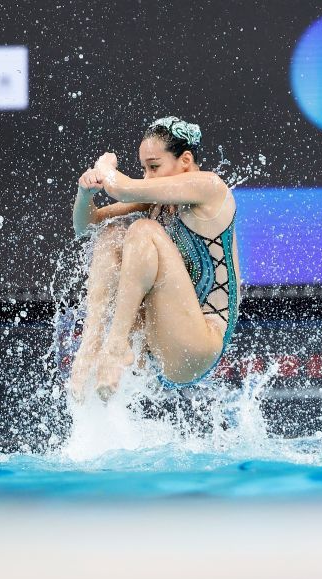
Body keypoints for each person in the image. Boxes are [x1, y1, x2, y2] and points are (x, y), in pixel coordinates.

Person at [68, 116, 240, 401]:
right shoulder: (158, 199)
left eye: (154, 167)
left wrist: (104, 167)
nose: (147, 177)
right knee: (111, 235)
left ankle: (116, 346)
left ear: (185, 160)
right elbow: (85, 226)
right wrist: (84, 193)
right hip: (158, 343)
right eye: (143, 169)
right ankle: (89, 348)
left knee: (143, 230)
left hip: (198, 346)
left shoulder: (210, 187)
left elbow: (120, 187)